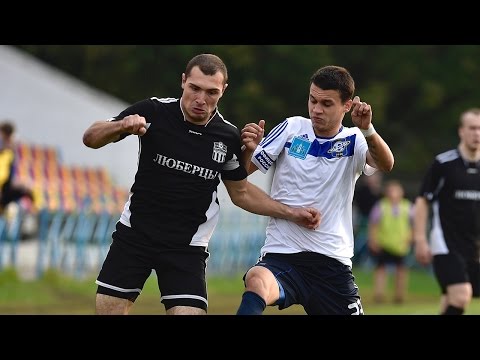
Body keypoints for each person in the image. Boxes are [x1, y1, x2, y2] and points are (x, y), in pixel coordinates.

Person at [82, 53, 321, 315]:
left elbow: (240, 192)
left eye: (211, 92)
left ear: (223, 91)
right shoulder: (154, 111)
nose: (201, 99)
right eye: (194, 88)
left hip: (187, 245)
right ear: (183, 81)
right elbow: (91, 138)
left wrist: (292, 213)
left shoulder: (227, 135)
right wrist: (120, 126)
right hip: (135, 234)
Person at [236, 65, 394, 315]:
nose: (316, 109)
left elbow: (386, 164)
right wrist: (248, 149)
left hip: (331, 263)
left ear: (347, 106)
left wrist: (368, 130)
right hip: (283, 253)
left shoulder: (355, 139)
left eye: (327, 104)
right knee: (256, 279)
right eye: (312, 100)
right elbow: (242, 173)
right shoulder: (291, 128)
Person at [413, 108, 480, 315]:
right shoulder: (444, 164)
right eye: (472, 128)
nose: (477, 133)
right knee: (461, 295)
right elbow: (423, 201)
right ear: (461, 131)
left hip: (475, 246)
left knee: (452, 300)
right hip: (446, 243)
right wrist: (420, 240)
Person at [368, 179, 414, 304]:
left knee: (401, 271)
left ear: (401, 192)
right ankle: (379, 294)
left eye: (395, 190)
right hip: (384, 243)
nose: (393, 193)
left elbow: (413, 225)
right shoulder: (381, 206)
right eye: (390, 190)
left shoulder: (407, 206)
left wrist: (410, 237)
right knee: (381, 269)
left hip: (401, 245)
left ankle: (399, 295)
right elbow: (373, 224)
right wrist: (373, 240)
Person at [0, 121, 34, 215]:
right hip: (4, 189)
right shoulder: (6, 154)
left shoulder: (9, 153)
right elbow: (2, 175)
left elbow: (6, 175)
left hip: (6, 188)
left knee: (28, 190)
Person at [352, 170, 383, 264]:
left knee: (372, 240)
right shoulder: (362, 190)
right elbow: (356, 205)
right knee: (361, 240)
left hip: (375, 220)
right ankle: (356, 258)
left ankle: (369, 260)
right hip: (363, 218)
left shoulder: (380, 193)